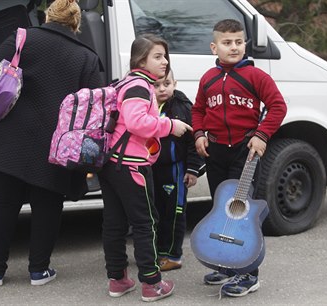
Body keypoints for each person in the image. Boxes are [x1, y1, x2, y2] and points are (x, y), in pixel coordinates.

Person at [0, 0, 103, 287]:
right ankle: (39, 270)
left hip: (9, 135)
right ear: (76, 23)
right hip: (55, 142)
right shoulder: (85, 56)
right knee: (47, 205)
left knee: (2, 203)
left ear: (47, 15)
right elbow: (92, 103)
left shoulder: (22, 37)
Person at [191, 19, 287, 297]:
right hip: (216, 151)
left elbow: (278, 106)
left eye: (238, 42)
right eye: (227, 42)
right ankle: (225, 264)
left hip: (246, 152)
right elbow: (198, 110)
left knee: (240, 211)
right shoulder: (208, 78)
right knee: (220, 209)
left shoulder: (256, 76)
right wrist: (198, 134)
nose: (234, 47)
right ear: (214, 47)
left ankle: (248, 274)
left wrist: (262, 134)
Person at [97, 34, 192, 302]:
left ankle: (118, 280)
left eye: (165, 56)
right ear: (141, 60)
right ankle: (152, 283)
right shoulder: (139, 86)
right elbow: (138, 123)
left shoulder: (126, 82)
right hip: (132, 166)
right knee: (145, 224)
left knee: (114, 224)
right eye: (157, 57)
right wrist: (171, 126)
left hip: (112, 163)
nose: (164, 62)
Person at [152, 69, 205, 271]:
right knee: (154, 211)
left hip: (176, 170)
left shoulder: (183, 107)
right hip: (152, 169)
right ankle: (158, 251)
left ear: (175, 82)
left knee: (174, 213)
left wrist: (193, 169)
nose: (162, 89)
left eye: (166, 84)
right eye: (156, 85)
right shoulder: (148, 107)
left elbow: (194, 141)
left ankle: (173, 255)